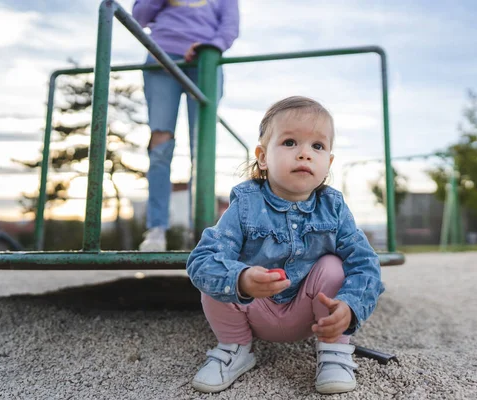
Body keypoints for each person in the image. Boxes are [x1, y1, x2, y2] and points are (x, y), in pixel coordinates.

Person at [186, 96, 385, 394]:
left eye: (317, 146)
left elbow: (365, 263)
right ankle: (235, 349)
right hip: (255, 308)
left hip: (312, 315)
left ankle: (334, 351)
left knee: (333, 266)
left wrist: (351, 307)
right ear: (263, 157)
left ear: (328, 162)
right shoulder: (245, 205)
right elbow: (201, 260)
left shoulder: (334, 208)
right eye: (290, 142)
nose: (305, 154)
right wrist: (241, 279)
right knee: (220, 272)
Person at [132, 0, 240, 251]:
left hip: (204, 58)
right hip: (162, 56)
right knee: (160, 140)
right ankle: (156, 229)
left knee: (201, 145)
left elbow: (230, 26)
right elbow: (140, 16)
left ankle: (201, 232)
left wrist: (212, 46)